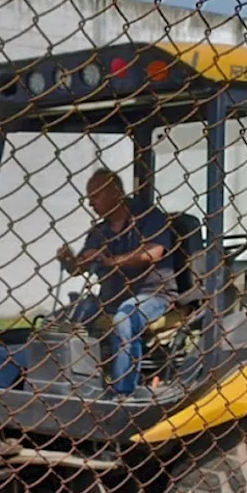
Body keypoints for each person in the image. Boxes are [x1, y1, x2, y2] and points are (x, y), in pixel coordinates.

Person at [56, 168, 176, 395]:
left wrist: (111, 261)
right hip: (110, 299)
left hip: (153, 295)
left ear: (116, 192)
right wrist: (70, 260)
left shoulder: (150, 217)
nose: (90, 204)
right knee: (65, 318)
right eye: (89, 198)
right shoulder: (99, 232)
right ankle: (73, 385)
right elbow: (81, 266)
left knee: (125, 318)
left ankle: (123, 393)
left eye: (95, 196)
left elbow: (153, 252)